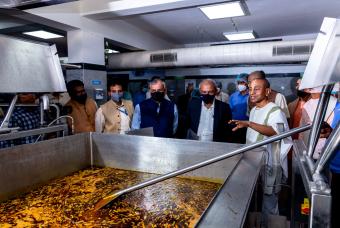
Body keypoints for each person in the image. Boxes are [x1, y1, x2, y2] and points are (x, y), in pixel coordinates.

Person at [230, 78, 292, 227]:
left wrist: (249, 123)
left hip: (270, 163)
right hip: (255, 162)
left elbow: (278, 133)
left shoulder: (275, 110)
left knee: (269, 204)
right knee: (257, 201)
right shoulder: (254, 110)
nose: (252, 92)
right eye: (250, 88)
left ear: (267, 91)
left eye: (256, 89)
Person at [300, 86, 337, 159]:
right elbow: (303, 132)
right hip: (311, 151)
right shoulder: (306, 105)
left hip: (330, 153)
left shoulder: (335, 103)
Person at [229, 73, 249, 143]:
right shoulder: (233, 96)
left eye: (242, 82)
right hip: (234, 125)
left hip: (247, 126)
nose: (240, 84)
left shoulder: (252, 96)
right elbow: (230, 111)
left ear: (247, 83)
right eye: (238, 83)